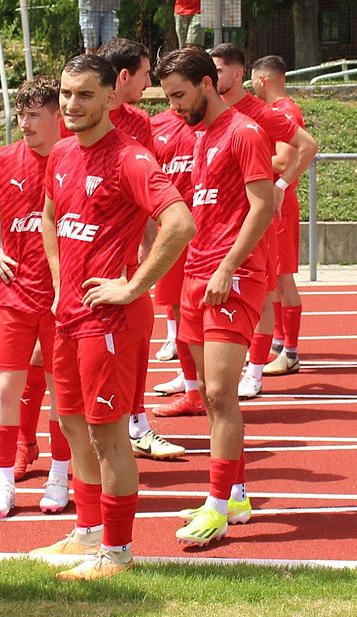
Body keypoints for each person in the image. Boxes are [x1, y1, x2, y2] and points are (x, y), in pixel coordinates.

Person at [30, 54, 194, 579]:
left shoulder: (131, 158)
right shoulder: (59, 154)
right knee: (73, 427)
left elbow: (179, 223)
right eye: (66, 94)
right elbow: (51, 218)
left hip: (110, 322)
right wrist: (59, 285)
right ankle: (85, 535)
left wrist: (133, 285)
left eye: (83, 94)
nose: (72, 105)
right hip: (69, 316)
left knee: (109, 436)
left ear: (109, 97)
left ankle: (119, 553)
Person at [156, 46, 275, 547]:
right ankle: (237, 493)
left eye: (180, 95)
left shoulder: (245, 132)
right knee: (208, 394)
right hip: (197, 273)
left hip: (234, 274)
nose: (175, 107)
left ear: (208, 84)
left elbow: (262, 206)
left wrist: (227, 266)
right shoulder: (199, 134)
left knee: (223, 395)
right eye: (169, 98)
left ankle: (217, 507)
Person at [0, 76, 72, 518]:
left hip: (65, 298)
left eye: (32, 116)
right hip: (16, 294)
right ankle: (4, 483)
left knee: (64, 393)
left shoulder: (76, 158)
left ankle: (60, 476)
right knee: (7, 387)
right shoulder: (2, 160)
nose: (23, 123)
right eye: (19, 115)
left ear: (57, 118)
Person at [208, 43, 317, 399]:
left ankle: (274, 359)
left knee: (272, 285)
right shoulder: (213, 111)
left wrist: (277, 182)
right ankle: (274, 350)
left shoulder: (271, 110)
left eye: (219, 69)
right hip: (230, 213)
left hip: (266, 211)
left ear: (247, 75)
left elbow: (296, 152)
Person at [96, 38, 186, 457]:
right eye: (146, 74)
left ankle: (136, 423)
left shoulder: (139, 123)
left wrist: (148, 256)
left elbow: (147, 200)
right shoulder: (72, 119)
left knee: (134, 339)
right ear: (125, 76)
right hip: (80, 255)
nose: (150, 82)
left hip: (124, 258)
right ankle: (47, 450)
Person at [251, 55, 310, 377]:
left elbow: (284, 157)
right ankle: (278, 345)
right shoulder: (278, 110)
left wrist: (247, 157)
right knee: (273, 277)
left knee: (282, 277)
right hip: (275, 200)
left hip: (279, 201)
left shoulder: (284, 111)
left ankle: (290, 352)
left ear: (262, 80)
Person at [149, 105, 206, 418]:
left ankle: (236, 378)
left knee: (209, 312)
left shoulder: (220, 123)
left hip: (212, 234)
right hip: (171, 233)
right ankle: (193, 389)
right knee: (178, 309)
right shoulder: (156, 126)